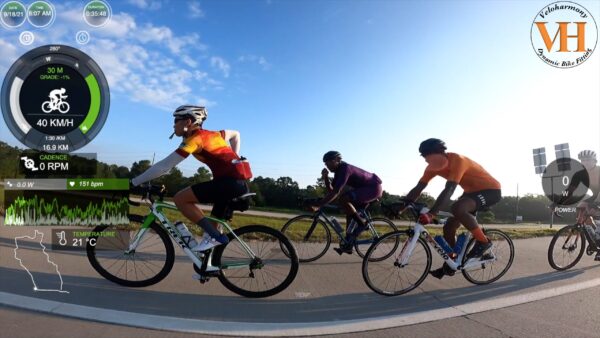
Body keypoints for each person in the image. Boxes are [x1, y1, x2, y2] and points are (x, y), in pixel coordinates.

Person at [130, 105, 251, 256]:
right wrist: (235, 157)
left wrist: (134, 182)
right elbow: (236, 135)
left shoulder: (195, 140)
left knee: (180, 199)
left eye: (176, 120)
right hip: (235, 183)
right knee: (211, 226)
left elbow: (164, 167)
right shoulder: (213, 134)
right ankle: (208, 265)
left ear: (188, 122)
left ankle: (217, 237)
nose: (173, 125)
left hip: (228, 184)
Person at [403, 138, 502, 279]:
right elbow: (419, 187)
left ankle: (484, 242)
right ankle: (452, 261)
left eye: (427, 156)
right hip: (470, 192)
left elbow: (449, 190)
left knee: (458, 208)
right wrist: (403, 204)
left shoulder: (458, 160)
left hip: (490, 190)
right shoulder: (431, 168)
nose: (426, 161)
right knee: (449, 227)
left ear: (440, 153)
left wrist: (432, 213)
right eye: (424, 157)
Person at [309, 151, 383, 255]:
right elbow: (332, 190)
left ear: (338, 160)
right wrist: (325, 177)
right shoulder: (338, 172)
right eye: (325, 163)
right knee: (349, 211)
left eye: (330, 162)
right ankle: (349, 244)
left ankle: (362, 224)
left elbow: (336, 192)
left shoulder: (345, 168)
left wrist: (319, 205)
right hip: (365, 189)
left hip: (373, 188)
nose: (327, 165)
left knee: (344, 199)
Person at [553, 150, 600, 260]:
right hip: (595, 195)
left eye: (588, 160)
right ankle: (594, 238)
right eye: (583, 160)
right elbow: (569, 191)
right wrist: (557, 203)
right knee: (581, 209)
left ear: (595, 161)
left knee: (593, 209)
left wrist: (596, 204)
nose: (585, 162)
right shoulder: (579, 174)